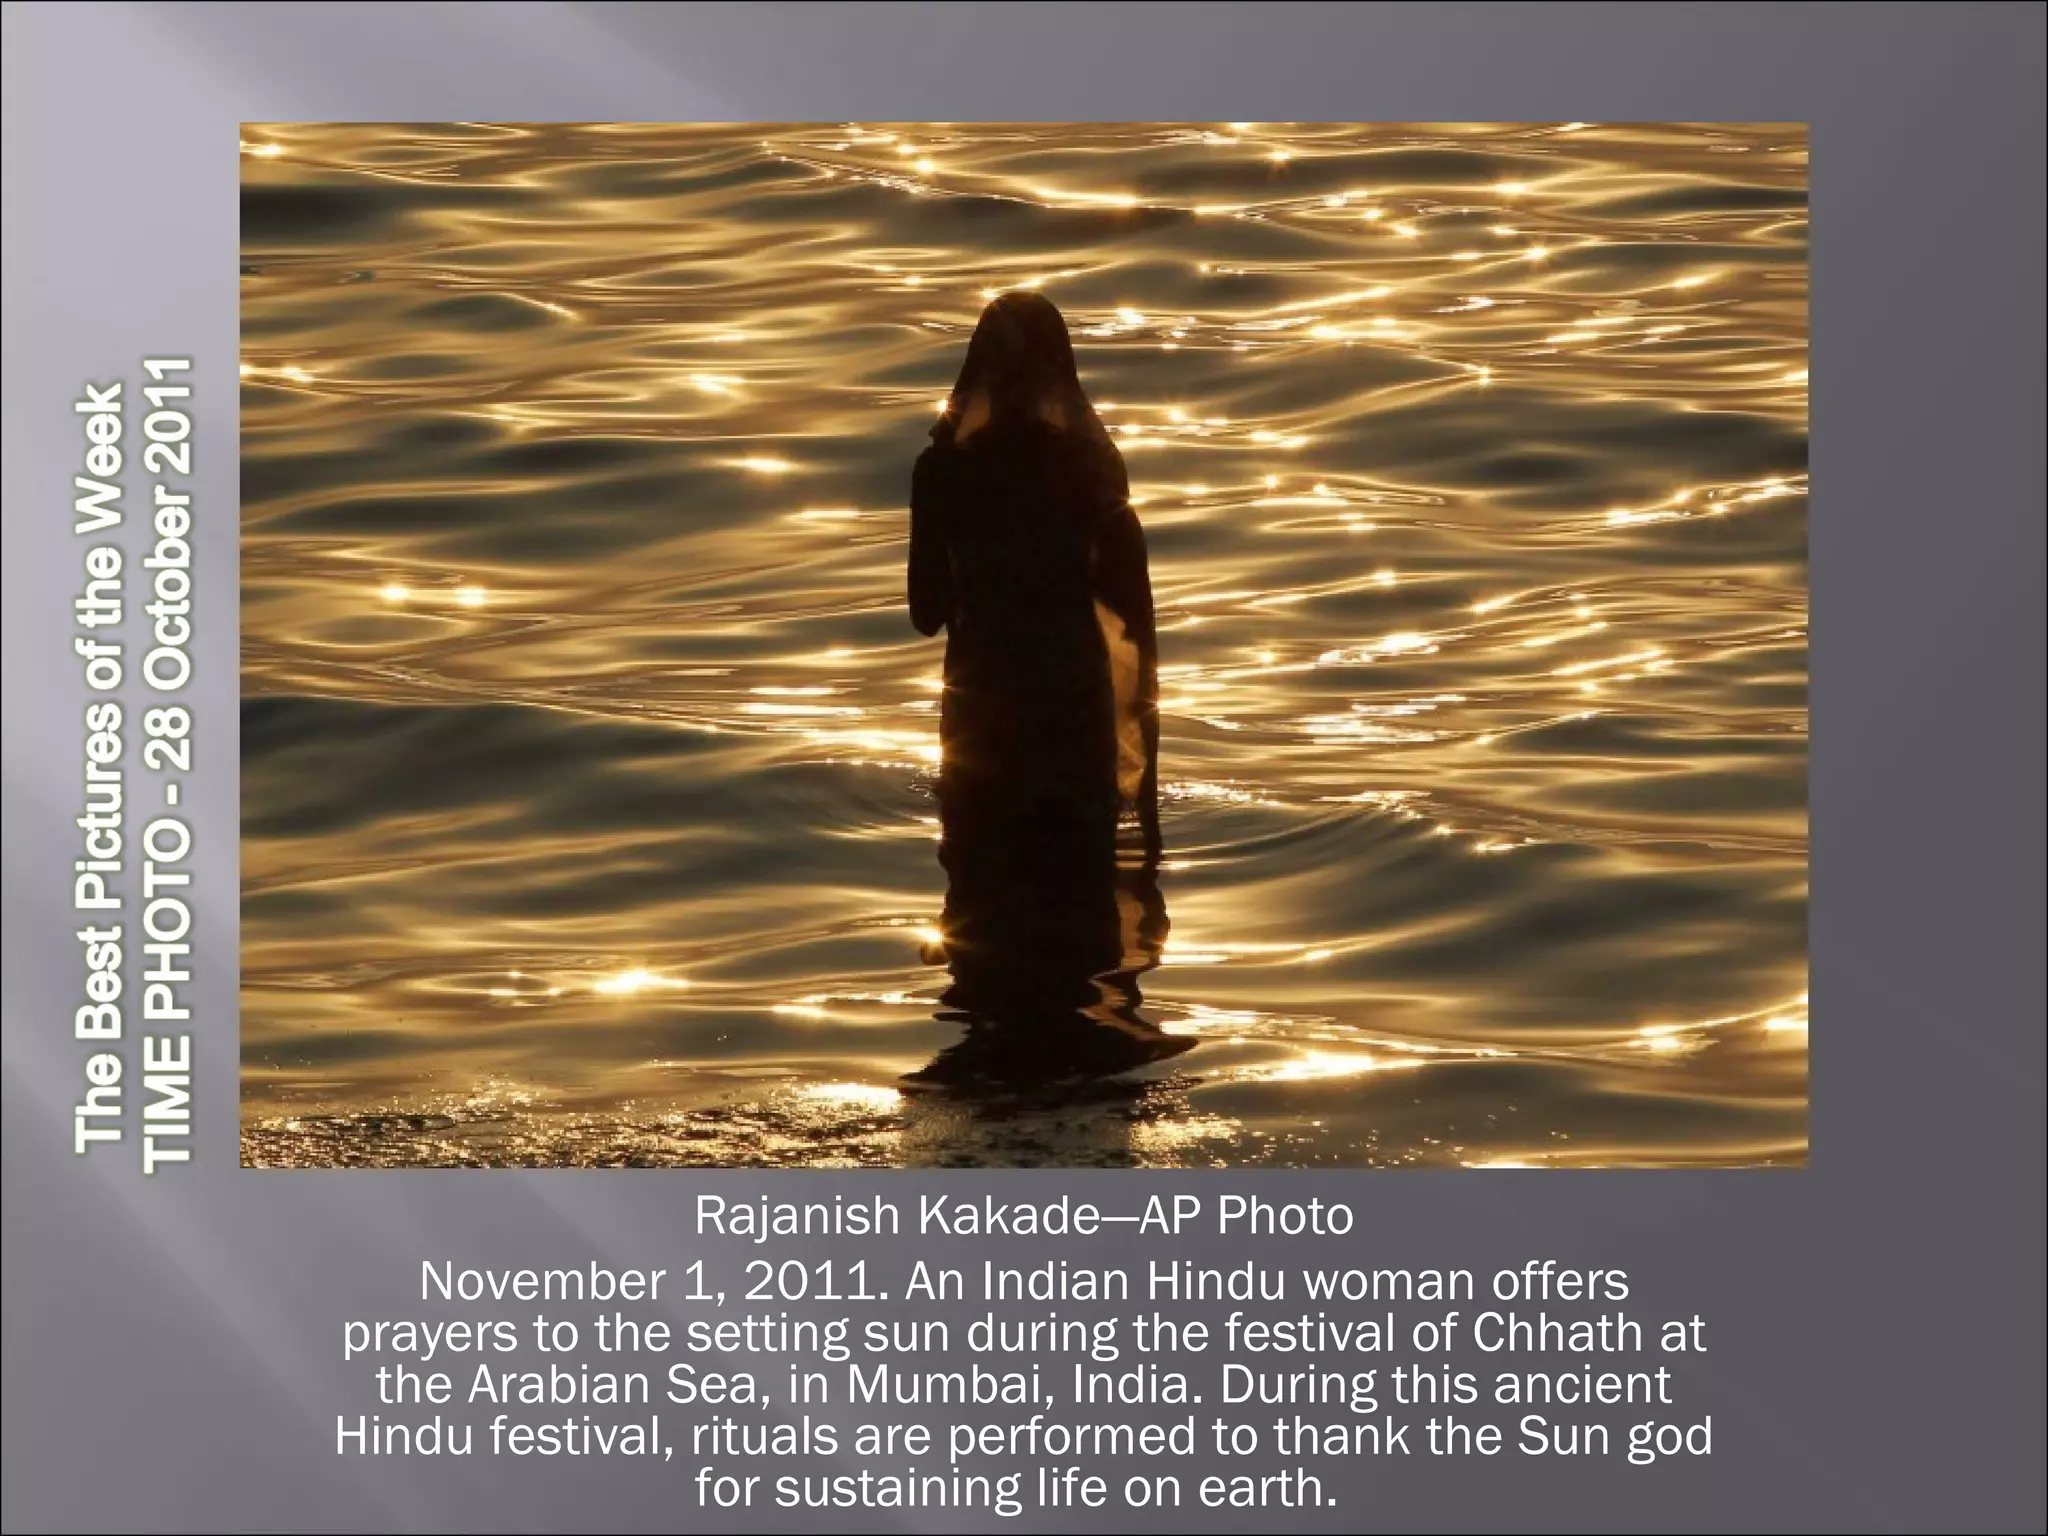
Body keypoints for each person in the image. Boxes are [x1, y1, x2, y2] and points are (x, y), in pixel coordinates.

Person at [907, 291, 1162, 878]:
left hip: (983, 714)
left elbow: (925, 612)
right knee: (1080, 896)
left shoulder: (942, 472)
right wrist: (1146, 804)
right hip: (1072, 713)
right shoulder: (1091, 470)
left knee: (981, 898)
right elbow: (1135, 625)